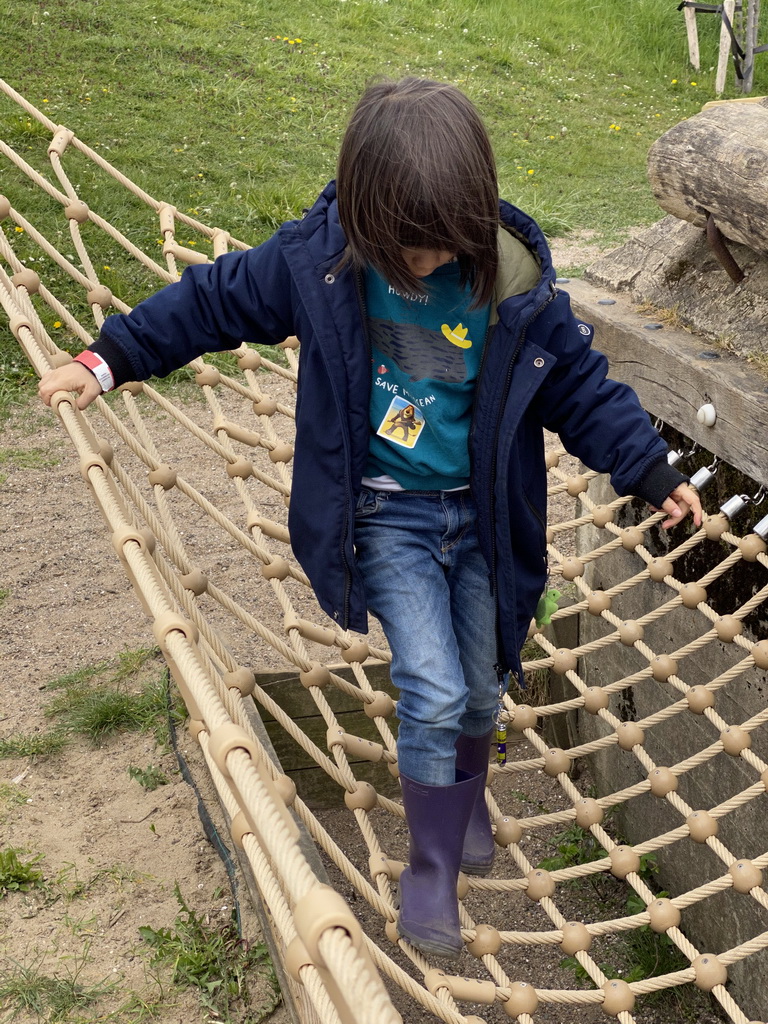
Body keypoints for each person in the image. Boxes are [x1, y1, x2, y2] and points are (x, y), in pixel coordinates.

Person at [39, 77, 702, 960]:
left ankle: (460, 805)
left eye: (437, 249)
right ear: (361, 214)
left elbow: (580, 388)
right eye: (402, 250)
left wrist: (652, 471)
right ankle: (429, 866)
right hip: (386, 517)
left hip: (485, 520)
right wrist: (105, 359)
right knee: (429, 684)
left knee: (480, 679)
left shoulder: (511, 285)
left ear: (471, 217)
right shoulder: (320, 262)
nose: (420, 266)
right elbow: (207, 302)